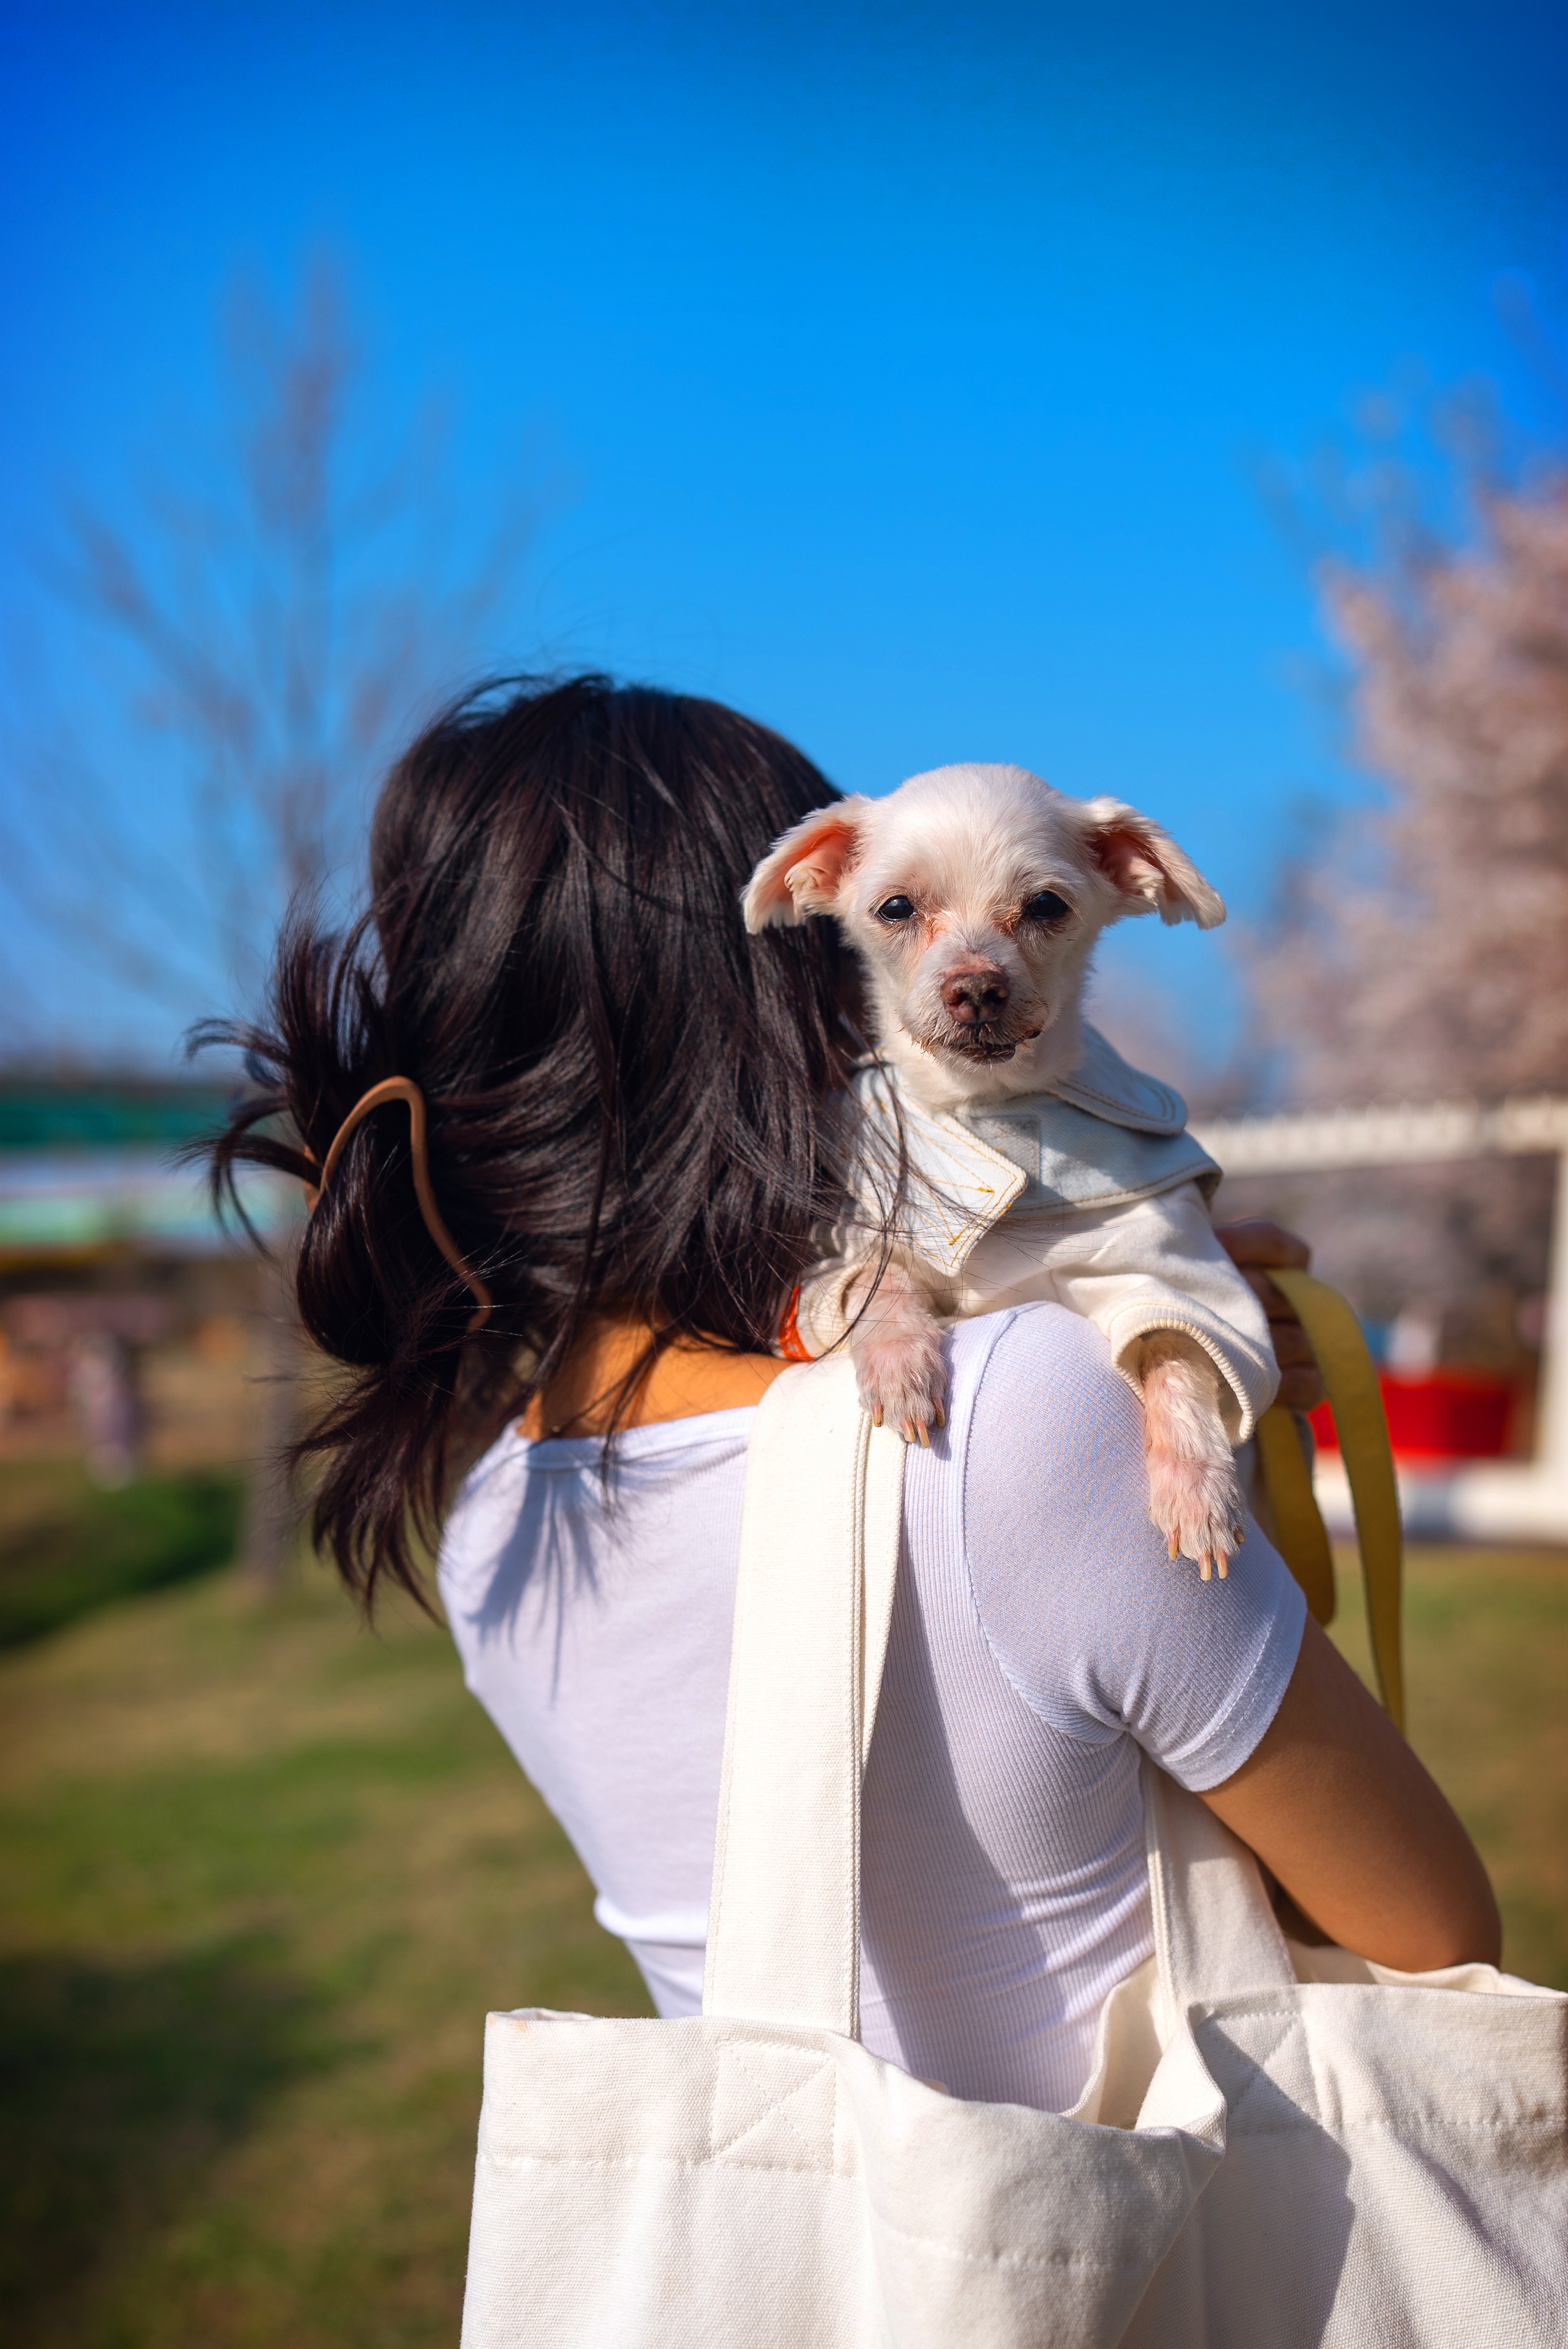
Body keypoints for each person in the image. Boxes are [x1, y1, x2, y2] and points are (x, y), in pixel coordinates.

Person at [209, 674, 1499, 2115]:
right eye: (891, 921)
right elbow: (1434, 1933)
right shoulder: (1015, 1413)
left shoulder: (492, 1524)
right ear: (797, 978)